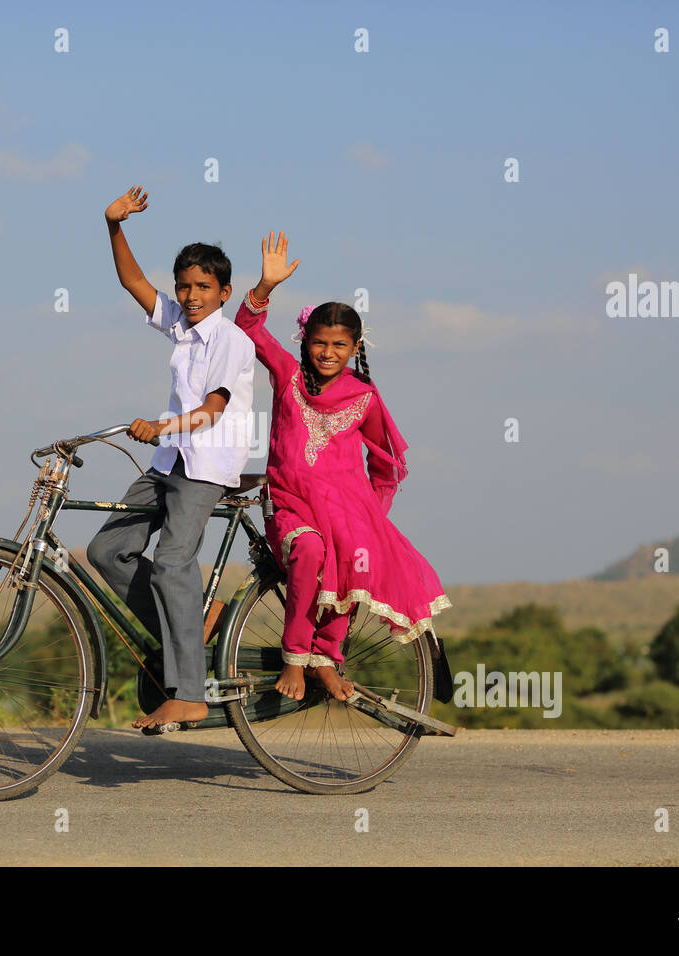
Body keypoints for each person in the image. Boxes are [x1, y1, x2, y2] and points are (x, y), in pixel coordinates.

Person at [233, 231, 451, 702]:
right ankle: (295, 659)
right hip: (291, 505)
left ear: (355, 347)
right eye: (319, 343)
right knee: (310, 553)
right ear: (304, 341)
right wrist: (266, 287)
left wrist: (369, 513)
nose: (327, 352)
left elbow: (388, 462)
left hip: (347, 511)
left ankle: (328, 661)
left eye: (338, 344)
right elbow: (248, 329)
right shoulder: (289, 376)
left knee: (355, 561)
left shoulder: (364, 397)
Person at [86, 186, 256, 732]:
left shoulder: (231, 341)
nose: (190, 295)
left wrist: (164, 425)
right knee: (107, 549)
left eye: (203, 286)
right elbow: (133, 282)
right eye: (184, 285)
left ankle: (190, 694)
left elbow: (211, 409)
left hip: (205, 465)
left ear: (224, 291)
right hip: (168, 460)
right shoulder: (180, 327)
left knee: (172, 563)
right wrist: (114, 225)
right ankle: (186, 625)